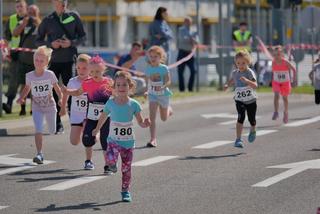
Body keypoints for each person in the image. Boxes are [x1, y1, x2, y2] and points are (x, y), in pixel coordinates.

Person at [92, 71, 150, 202]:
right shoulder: (110, 103)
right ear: (114, 87)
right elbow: (103, 117)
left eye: (124, 85)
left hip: (128, 143)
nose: (121, 87)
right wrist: (96, 129)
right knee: (110, 161)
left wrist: (145, 124)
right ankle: (112, 165)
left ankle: (125, 191)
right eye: (118, 85)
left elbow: (140, 122)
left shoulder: (134, 104)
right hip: (113, 141)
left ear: (130, 87)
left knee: (126, 169)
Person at [36, 0, 86, 134]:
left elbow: (83, 37)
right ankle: (57, 124)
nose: (63, 2)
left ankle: (74, 122)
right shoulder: (48, 19)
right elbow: (38, 39)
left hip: (69, 60)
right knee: (53, 92)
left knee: (71, 90)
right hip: (53, 61)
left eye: (65, 1)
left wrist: (71, 43)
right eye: (60, 1)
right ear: (54, 2)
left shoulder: (74, 16)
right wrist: (50, 44)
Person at [62, 55, 113, 171]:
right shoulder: (87, 83)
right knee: (87, 140)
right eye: (93, 71)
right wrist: (67, 91)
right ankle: (88, 161)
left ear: (103, 70)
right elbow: (77, 92)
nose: (95, 74)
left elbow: (117, 95)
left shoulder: (108, 82)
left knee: (105, 142)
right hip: (91, 117)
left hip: (105, 118)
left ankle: (107, 165)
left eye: (98, 71)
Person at [17, 46, 62, 164]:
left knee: (52, 130)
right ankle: (39, 153)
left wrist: (61, 99)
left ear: (46, 62)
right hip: (37, 107)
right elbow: (27, 88)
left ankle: (52, 129)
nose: (38, 62)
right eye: (36, 60)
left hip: (50, 107)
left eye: (41, 61)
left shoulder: (50, 74)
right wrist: (21, 98)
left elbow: (57, 89)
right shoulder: (29, 75)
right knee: (38, 130)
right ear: (33, 60)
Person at [224, 50, 258, 148]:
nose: (241, 65)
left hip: (251, 100)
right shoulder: (235, 73)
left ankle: (253, 129)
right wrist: (227, 85)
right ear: (236, 63)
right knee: (240, 117)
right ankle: (238, 139)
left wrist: (247, 81)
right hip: (239, 100)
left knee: (252, 119)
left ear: (248, 62)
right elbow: (232, 80)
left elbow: (255, 85)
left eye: (243, 63)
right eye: (238, 63)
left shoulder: (249, 72)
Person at [144, 46, 173, 147]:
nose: (152, 58)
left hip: (163, 95)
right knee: (152, 117)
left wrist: (163, 87)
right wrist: (146, 92)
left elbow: (168, 81)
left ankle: (168, 109)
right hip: (153, 95)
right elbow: (148, 82)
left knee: (164, 118)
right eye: (151, 56)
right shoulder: (148, 69)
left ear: (160, 57)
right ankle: (153, 139)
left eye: (155, 56)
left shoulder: (164, 68)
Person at [59, 54, 91, 146]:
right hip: (76, 114)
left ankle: (96, 133)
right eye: (79, 68)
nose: (81, 70)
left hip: (89, 115)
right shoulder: (72, 81)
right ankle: (87, 134)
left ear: (90, 69)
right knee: (74, 142)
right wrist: (63, 108)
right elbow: (66, 94)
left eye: (84, 68)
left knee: (89, 138)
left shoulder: (93, 81)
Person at [3, 0, 28, 114]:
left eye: (21, 6)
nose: (19, 8)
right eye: (17, 6)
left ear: (25, 7)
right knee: (13, 80)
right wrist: (6, 52)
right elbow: (6, 38)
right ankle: (8, 105)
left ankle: (25, 108)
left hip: (28, 56)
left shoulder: (31, 19)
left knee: (26, 82)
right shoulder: (12, 19)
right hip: (14, 54)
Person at [16, 4, 42, 116]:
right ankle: (22, 108)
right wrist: (23, 24)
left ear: (38, 13)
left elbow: (45, 35)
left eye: (34, 12)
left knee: (35, 86)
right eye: (30, 11)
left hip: (36, 62)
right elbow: (15, 33)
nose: (31, 14)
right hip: (23, 59)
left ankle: (33, 108)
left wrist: (38, 22)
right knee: (23, 84)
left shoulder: (40, 24)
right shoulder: (23, 22)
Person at [271, 45, 296, 123]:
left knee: (285, 98)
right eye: (274, 55)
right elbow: (273, 72)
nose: (276, 56)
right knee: (276, 95)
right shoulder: (273, 62)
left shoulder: (285, 62)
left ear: (282, 54)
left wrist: (294, 80)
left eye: (278, 54)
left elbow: (294, 69)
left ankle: (285, 113)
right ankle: (276, 112)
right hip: (276, 82)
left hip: (285, 82)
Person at [177, 17, 198, 92]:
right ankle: (182, 89)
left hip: (190, 53)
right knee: (180, 72)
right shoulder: (181, 30)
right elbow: (182, 39)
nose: (188, 23)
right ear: (184, 22)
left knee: (193, 70)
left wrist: (193, 40)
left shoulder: (194, 30)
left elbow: (197, 40)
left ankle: (190, 88)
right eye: (187, 21)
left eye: (189, 22)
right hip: (182, 52)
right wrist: (191, 39)